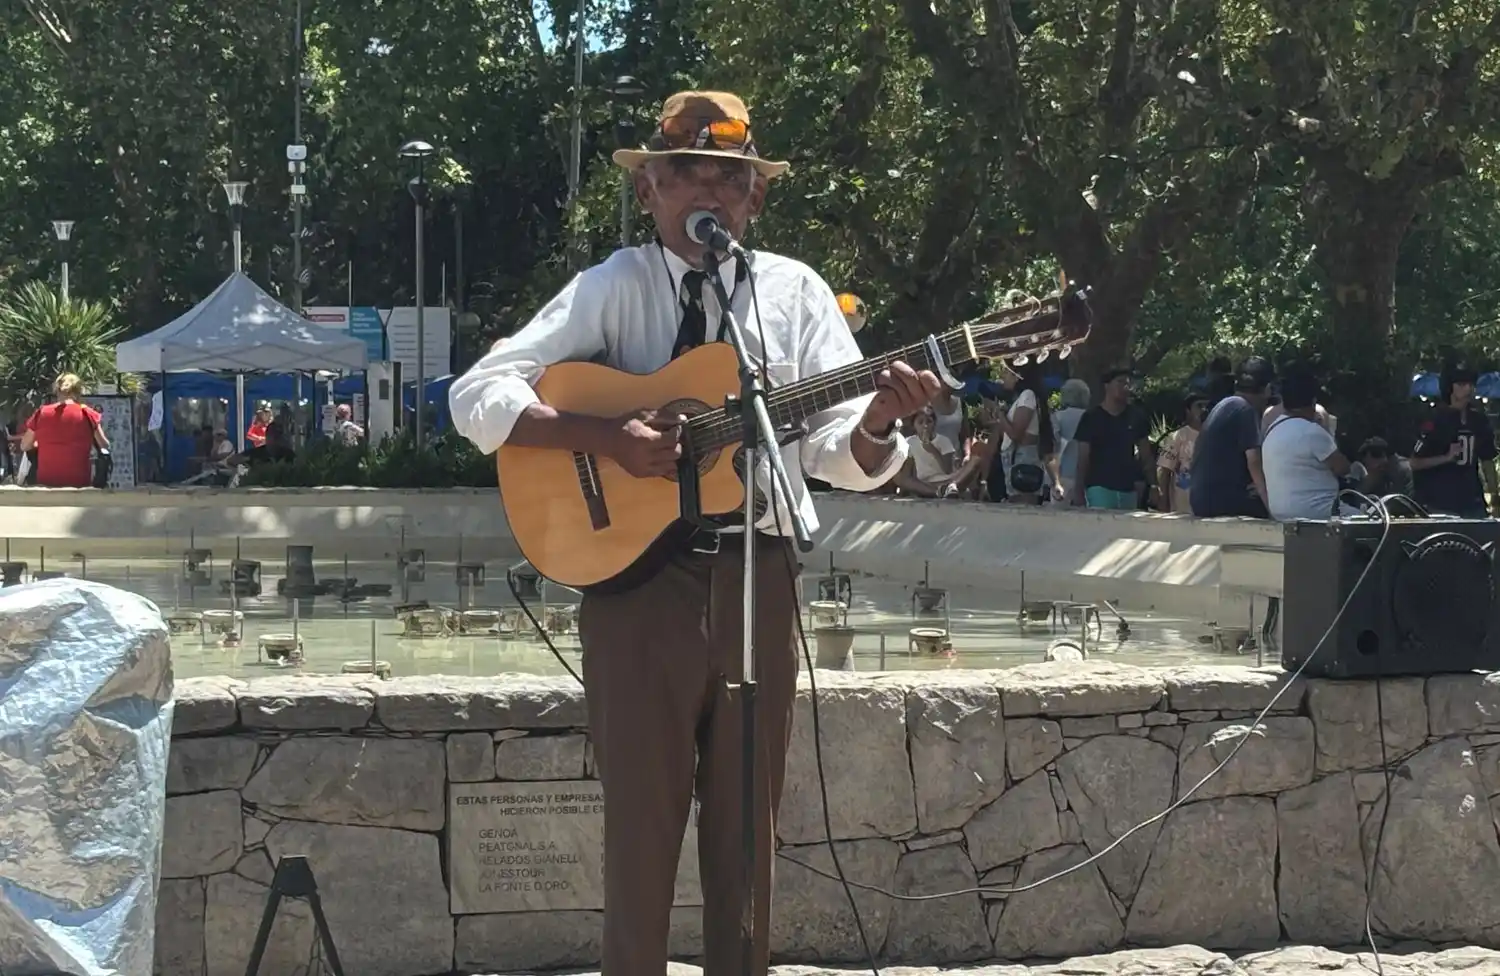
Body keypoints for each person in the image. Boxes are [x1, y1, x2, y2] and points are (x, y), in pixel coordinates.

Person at [447, 90, 940, 976]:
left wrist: (878, 426)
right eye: (687, 176)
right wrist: (605, 438)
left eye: (731, 180)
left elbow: (837, 448)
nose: (708, 193)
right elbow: (479, 394)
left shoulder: (792, 292)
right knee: (642, 823)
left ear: (754, 201)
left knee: (750, 827)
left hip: (761, 566)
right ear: (652, 193)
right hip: (639, 585)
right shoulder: (613, 285)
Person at [1261, 367, 1353, 521]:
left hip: (1281, 513)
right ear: (1313, 401)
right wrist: (1327, 431)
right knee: (1372, 524)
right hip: (1320, 511)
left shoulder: (1272, 429)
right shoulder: (1312, 431)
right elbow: (1343, 468)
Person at [1190, 357, 1275, 518]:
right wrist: (1270, 507)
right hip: (1219, 502)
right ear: (1268, 389)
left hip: (1201, 499)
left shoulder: (1226, 404)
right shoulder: (1245, 410)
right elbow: (1254, 462)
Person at [1410, 364, 1499, 518]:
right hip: (1438, 503)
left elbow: (1487, 460)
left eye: (1471, 384)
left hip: (1472, 500)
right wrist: (1445, 458)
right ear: (1450, 388)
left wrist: (1495, 495)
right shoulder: (1434, 419)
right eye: (1462, 384)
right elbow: (1415, 463)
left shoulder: (1479, 420)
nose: (1468, 389)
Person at [1072, 368, 1152, 509]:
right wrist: (1078, 490)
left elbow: (1146, 454)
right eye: (1120, 382)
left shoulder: (1136, 416)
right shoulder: (1091, 417)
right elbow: (1083, 456)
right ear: (1107, 385)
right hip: (1099, 486)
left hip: (1129, 487)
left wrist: (1153, 485)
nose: (1125, 387)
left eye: (1128, 384)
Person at [19, 373, 109, 488]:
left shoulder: (42, 412)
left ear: (57, 390)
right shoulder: (87, 414)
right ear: (77, 391)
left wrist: (40, 444)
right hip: (79, 484)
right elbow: (104, 445)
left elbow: (24, 446)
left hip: (46, 483)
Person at [989, 363, 1060, 504]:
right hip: (1017, 457)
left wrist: (1000, 415)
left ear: (1017, 376)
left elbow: (1016, 434)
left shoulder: (1027, 396)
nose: (1003, 377)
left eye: (1007, 373)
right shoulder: (1023, 397)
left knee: (1023, 503)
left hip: (1023, 458)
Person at [1156, 393, 1208, 514]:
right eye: (1199, 406)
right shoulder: (1178, 436)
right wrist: (1162, 503)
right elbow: (1164, 471)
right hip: (1182, 509)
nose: (1204, 410)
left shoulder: (1215, 436)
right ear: (1188, 411)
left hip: (1207, 508)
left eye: (1207, 406)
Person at [893, 406, 959, 497]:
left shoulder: (943, 441)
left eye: (929, 421)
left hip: (944, 481)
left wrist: (932, 450)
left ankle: (942, 490)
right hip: (923, 483)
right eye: (920, 422)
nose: (925, 426)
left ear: (934, 423)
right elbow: (908, 470)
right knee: (898, 478)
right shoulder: (909, 442)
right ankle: (937, 492)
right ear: (914, 425)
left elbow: (948, 470)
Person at [1051, 378, 1091, 502]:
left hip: (1062, 476)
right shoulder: (1091, 417)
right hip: (1087, 477)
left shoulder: (1058, 417)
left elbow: (1053, 447)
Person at [1350, 437, 1414, 498]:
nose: (1366, 467)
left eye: (1366, 462)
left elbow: (1396, 500)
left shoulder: (1401, 470)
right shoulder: (1378, 472)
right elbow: (1359, 496)